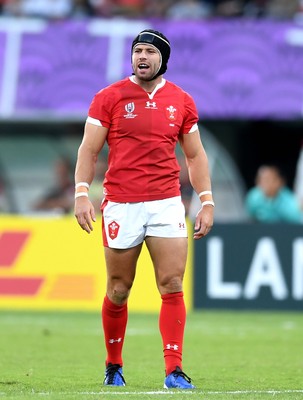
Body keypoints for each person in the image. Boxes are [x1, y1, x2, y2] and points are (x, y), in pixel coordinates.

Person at [74, 29, 214, 390]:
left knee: (171, 283)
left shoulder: (181, 101)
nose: (142, 56)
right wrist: (80, 194)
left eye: (150, 51)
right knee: (119, 288)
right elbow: (89, 151)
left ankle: (174, 370)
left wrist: (207, 201)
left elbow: (195, 155)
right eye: (137, 50)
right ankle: (113, 365)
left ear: (162, 58)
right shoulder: (109, 97)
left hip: (167, 202)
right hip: (121, 203)